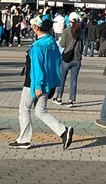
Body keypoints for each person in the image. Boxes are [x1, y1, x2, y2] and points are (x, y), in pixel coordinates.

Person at [9, 17, 73, 150]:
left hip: (33, 82)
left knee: (24, 109)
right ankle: (63, 131)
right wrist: (53, 84)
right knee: (40, 111)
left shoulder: (38, 47)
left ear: (36, 28)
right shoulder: (52, 43)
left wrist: (37, 85)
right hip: (49, 82)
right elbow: (57, 63)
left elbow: (37, 68)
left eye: (33, 27)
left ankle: (24, 139)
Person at [53, 11, 83, 107]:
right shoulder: (81, 32)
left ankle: (59, 98)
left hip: (67, 58)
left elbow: (62, 44)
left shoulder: (66, 31)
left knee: (62, 78)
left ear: (69, 20)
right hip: (77, 58)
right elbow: (83, 45)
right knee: (74, 80)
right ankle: (71, 100)